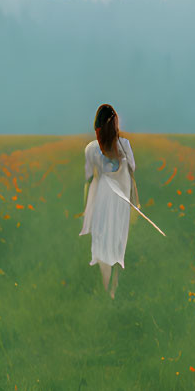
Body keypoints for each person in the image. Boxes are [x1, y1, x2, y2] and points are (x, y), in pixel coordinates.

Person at [79, 103, 137, 299]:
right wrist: (135, 203)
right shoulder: (124, 145)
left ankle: (107, 292)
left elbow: (89, 179)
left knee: (102, 243)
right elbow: (131, 175)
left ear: (97, 127)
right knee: (117, 242)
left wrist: (85, 210)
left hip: (102, 201)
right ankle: (113, 288)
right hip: (120, 203)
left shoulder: (91, 149)